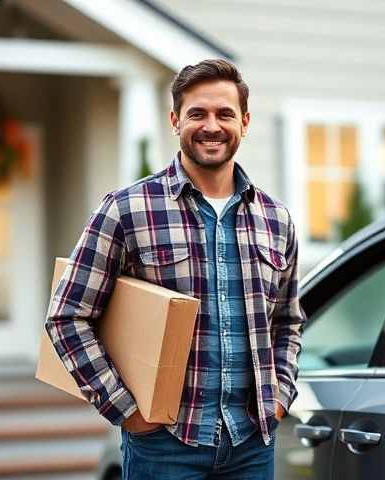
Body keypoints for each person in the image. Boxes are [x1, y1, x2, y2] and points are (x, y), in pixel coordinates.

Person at [44, 59, 306, 479]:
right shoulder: (127, 209)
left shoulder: (276, 219)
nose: (211, 126)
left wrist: (278, 399)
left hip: (252, 444)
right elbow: (67, 316)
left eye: (225, 114)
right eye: (197, 113)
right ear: (174, 120)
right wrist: (126, 411)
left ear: (245, 121)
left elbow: (288, 323)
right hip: (165, 446)